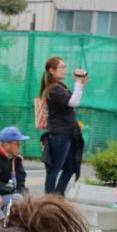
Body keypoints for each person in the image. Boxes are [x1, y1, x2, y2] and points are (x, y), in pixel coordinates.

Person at [38, 56, 86, 195]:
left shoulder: (60, 87)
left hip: (68, 133)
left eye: (65, 67)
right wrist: (78, 84)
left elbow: (74, 100)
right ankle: (49, 199)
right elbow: (73, 103)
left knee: (70, 167)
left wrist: (80, 84)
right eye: (62, 67)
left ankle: (58, 195)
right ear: (52, 71)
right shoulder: (53, 89)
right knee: (54, 169)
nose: (65, 70)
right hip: (60, 134)